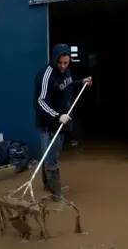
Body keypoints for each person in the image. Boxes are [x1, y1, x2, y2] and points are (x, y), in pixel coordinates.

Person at [34, 43, 92, 201]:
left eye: (66, 63)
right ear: (54, 59)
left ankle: (49, 186)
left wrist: (82, 81)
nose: (62, 66)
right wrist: (57, 116)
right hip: (49, 122)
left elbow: (66, 84)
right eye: (59, 62)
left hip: (62, 120)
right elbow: (40, 102)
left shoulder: (66, 70)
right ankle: (56, 194)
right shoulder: (45, 75)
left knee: (53, 155)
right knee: (50, 158)